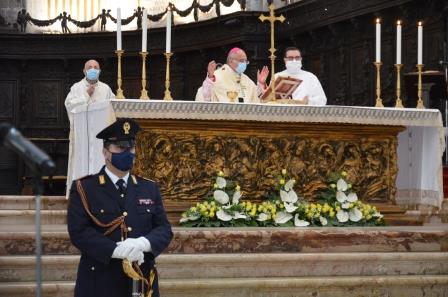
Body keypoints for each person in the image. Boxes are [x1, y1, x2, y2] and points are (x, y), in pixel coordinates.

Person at [67, 118, 173, 297]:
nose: (127, 153)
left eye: (131, 148)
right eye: (120, 148)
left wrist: (143, 243)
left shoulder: (148, 187)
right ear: (105, 153)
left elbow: (164, 229)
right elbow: (79, 232)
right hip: (100, 281)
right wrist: (115, 250)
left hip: (141, 280)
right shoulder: (85, 188)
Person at [65, 59, 116, 198]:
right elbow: (69, 106)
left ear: (99, 71)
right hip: (83, 137)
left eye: (95, 67)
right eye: (90, 67)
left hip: (101, 138)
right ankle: (79, 194)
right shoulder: (76, 88)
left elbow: (114, 108)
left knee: (101, 161)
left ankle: (103, 194)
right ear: (84, 71)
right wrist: (86, 95)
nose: (93, 69)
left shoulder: (106, 89)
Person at [200, 47, 269, 103]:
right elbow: (206, 98)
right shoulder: (216, 76)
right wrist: (210, 78)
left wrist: (260, 84)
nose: (244, 64)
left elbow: (256, 99)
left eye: (246, 61)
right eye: (242, 61)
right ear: (231, 61)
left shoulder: (246, 79)